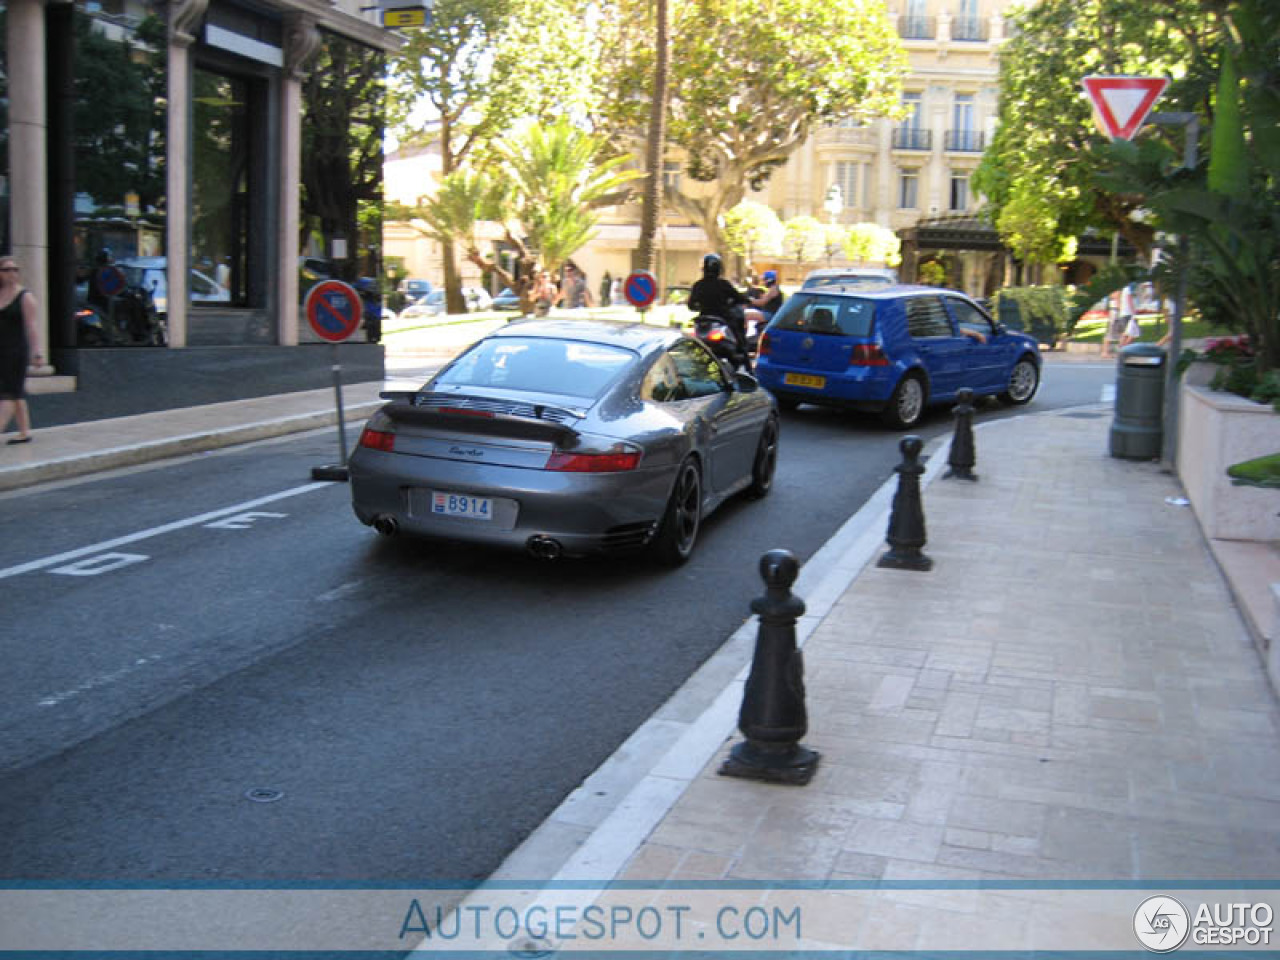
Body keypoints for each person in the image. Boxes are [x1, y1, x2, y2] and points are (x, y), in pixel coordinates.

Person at [0, 256, 44, 444]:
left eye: (15, 269)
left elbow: (32, 326)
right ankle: (25, 432)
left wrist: (37, 352)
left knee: (8, 394)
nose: (12, 274)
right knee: (16, 393)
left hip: (16, 351)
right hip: (1, 350)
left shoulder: (25, 296)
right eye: (7, 270)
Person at [688, 253, 755, 370]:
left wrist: (699, 306)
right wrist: (746, 300)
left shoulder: (698, 285)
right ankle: (748, 368)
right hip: (723, 318)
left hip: (703, 320)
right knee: (739, 335)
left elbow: (691, 305)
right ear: (719, 269)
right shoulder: (723, 284)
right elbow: (738, 297)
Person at [749, 269, 785, 334]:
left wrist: (749, 300)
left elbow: (761, 302)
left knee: (745, 315)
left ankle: (741, 337)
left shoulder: (773, 290)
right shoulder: (772, 289)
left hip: (770, 314)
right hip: (767, 312)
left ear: (769, 280)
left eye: (764, 280)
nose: (763, 282)